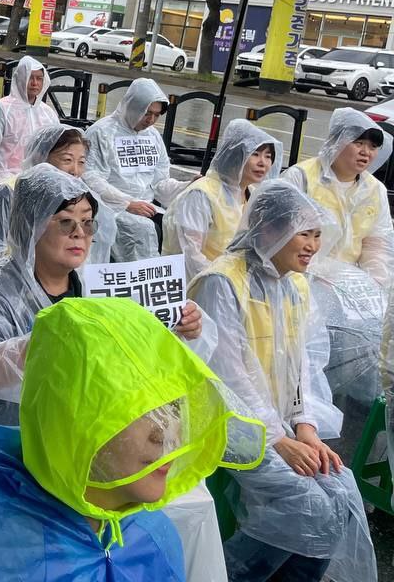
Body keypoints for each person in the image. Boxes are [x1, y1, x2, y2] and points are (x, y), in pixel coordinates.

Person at [0, 297, 267, 582]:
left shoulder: (150, 528)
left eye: (174, 408)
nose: (167, 435)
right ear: (72, 420)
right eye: (138, 412)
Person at [192, 181, 377, 582]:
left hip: (276, 425)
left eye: (316, 235)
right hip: (228, 423)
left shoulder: (294, 283)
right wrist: (280, 441)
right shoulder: (223, 281)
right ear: (270, 229)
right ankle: (221, 574)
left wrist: (306, 429)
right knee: (307, 505)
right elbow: (227, 376)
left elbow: (302, 365)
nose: (312, 245)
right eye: (303, 234)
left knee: (341, 492)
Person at [0, 164, 207, 440]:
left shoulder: (96, 287)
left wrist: (175, 329)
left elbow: (128, 354)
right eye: (65, 222)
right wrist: (49, 338)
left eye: (87, 222)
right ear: (30, 223)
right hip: (11, 443)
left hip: (84, 438)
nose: (79, 233)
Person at [284, 108, 393, 403]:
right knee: (303, 353)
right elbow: (280, 235)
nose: (366, 153)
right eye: (359, 143)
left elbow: (377, 242)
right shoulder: (302, 178)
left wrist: (372, 283)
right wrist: (318, 274)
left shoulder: (375, 190)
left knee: (360, 350)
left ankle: (349, 404)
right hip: (301, 281)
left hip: (350, 290)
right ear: (337, 140)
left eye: (372, 147)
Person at [0, 124, 113, 277]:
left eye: (81, 162)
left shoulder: (78, 198)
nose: (75, 171)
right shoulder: (7, 192)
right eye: (67, 160)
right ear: (40, 157)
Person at [165, 119, 281, 280]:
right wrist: (227, 282)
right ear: (236, 156)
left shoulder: (254, 196)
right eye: (255, 154)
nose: (263, 163)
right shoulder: (201, 195)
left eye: (268, 156)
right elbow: (189, 255)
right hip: (201, 283)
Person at [85, 79, 186, 262]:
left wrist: (187, 187)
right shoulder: (101, 132)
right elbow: (91, 178)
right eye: (147, 113)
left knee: (181, 226)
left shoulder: (153, 136)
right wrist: (127, 203)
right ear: (132, 106)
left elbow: (160, 183)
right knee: (143, 231)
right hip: (112, 207)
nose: (151, 120)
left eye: (156, 115)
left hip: (147, 206)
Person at [0, 56, 60, 197]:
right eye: (30, 77)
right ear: (21, 78)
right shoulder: (1, 109)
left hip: (37, 182)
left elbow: (56, 149)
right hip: (3, 182)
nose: (35, 83)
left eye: (39, 78)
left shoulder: (47, 113)